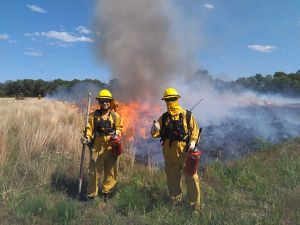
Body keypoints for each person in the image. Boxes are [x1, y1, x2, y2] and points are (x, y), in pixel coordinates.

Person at [151, 87, 201, 213]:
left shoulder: (187, 115)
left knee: (192, 178)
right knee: (172, 179)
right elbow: (155, 135)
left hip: (184, 151)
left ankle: (194, 207)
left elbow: (195, 131)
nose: (170, 102)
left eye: (172, 99)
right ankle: (176, 202)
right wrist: (154, 128)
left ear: (177, 99)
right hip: (169, 152)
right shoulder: (164, 117)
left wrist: (193, 142)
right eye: (167, 100)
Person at [81, 89, 123, 201]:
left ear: (110, 102)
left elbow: (119, 128)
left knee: (111, 172)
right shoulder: (93, 116)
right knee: (94, 172)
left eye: (107, 101)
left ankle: (106, 192)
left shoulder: (115, 116)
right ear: (99, 102)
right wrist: (86, 137)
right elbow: (89, 129)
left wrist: (117, 133)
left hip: (111, 148)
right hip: (97, 148)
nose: (105, 103)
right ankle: (91, 195)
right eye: (102, 101)